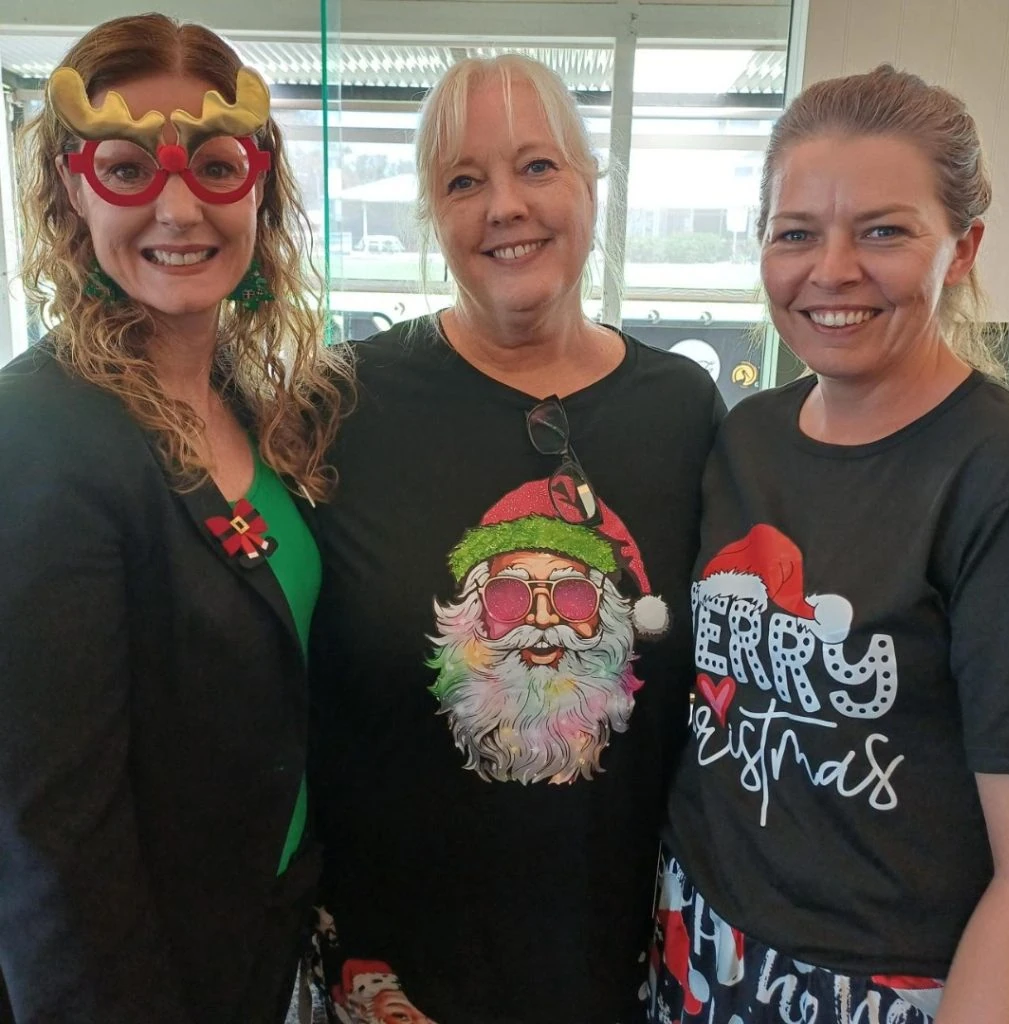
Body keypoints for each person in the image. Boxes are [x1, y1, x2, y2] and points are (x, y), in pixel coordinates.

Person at [307, 54, 723, 1024]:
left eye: (537, 167)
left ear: (589, 188)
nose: (505, 206)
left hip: (623, 965)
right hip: (394, 974)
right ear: (429, 212)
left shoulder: (682, 409)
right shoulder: (338, 403)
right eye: (464, 180)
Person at [650, 66, 1009, 1024]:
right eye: (797, 233)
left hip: (885, 981)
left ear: (964, 247)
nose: (833, 270)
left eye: (885, 231)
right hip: (696, 933)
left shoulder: (998, 476)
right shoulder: (745, 437)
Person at [0, 14, 351, 1024]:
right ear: (73, 188)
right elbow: (49, 836)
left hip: (266, 936)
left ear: (260, 182)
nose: (179, 207)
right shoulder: (38, 432)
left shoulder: (258, 403)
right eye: (127, 170)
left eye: (213, 164)